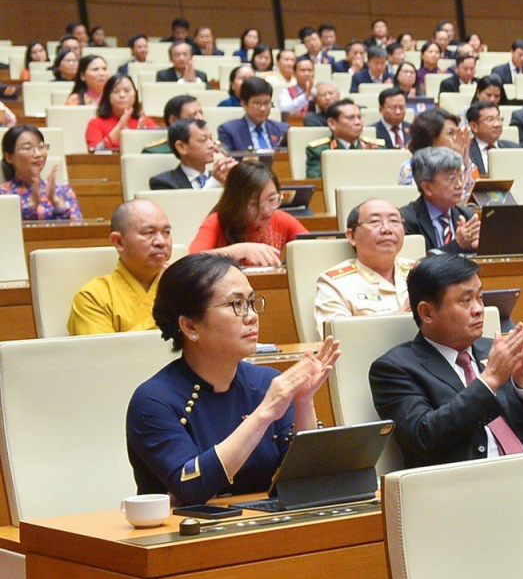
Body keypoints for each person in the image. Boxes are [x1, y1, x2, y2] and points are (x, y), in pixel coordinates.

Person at [127, 254, 336, 504]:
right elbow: (191, 488)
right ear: (190, 327)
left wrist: (303, 403)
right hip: (186, 535)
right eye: (236, 305)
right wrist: (265, 412)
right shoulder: (153, 401)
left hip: (264, 526)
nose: (251, 316)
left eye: (251, 302)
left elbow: (304, 481)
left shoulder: (266, 382)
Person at [368, 253, 523, 467]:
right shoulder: (394, 369)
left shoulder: (496, 350)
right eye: (466, 301)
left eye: (480, 297)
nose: (478, 309)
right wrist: (490, 381)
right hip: (466, 488)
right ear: (427, 312)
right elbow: (424, 438)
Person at [69, 198, 172, 335]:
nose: (161, 242)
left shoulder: (188, 286)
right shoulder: (92, 297)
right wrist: (167, 306)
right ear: (119, 242)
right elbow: (103, 354)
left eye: (166, 232)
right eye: (149, 233)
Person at [314, 198, 416, 329]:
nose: (387, 229)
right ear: (352, 236)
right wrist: (399, 318)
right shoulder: (334, 283)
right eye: (375, 222)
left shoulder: (421, 271)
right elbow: (339, 337)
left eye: (394, 221)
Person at [394, 146, 478, 256]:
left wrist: (474, 248)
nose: (459, 185)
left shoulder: (466, 215)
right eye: (451, 179)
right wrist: (456, 245)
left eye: (460, 177)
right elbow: (414, 264)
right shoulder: (406, 220)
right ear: (427, 188)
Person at [0, 126, 79, 221]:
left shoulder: (63, 191)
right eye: (27, 148)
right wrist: (32, 206)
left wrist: (55, 201)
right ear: (9, 157)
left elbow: (79, 230)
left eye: (41, 147)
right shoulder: (3, 195)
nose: (38, 154)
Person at [149, 117, 233, 190]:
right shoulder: (163, 183)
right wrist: (214, 183)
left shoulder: (222, 177)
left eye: (211, 139)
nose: (211, 145)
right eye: (203, 140)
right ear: (181, 147)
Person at [304, 100, 381, 178]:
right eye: (350, 118)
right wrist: (360, 160)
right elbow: (316, 182)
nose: (358, 122)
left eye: (359, 117)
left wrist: (369, 157)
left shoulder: (376, 147)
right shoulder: (319, 151)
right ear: (332, 123)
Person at [215, 78, 287, 154]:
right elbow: (226, 159)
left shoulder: (283, 129)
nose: (262, 108)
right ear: (243, 104)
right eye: (257, 103)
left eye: (266, 103)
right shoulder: (229, 130)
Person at [84, 75, 154, 152]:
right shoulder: (95, 124)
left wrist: (141, 135)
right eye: (116, 91)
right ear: (108, 96)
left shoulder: (146, 121)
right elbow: (94, 154)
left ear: (135, 94)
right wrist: (119, 128)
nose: (122, 95)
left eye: (126, 90)